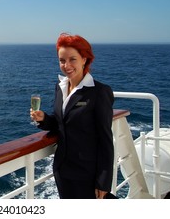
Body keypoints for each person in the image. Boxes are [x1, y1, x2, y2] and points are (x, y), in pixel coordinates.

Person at [30, 33, 114, 199]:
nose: (66, 65)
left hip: (87, 175)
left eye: (72, 59)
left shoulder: (99, 92)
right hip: (62, 171)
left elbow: (105, 139)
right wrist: (43, 119)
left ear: (84, 59)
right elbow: (60, 123)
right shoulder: (60, 87)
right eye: (62, 60)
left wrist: (103, 181)